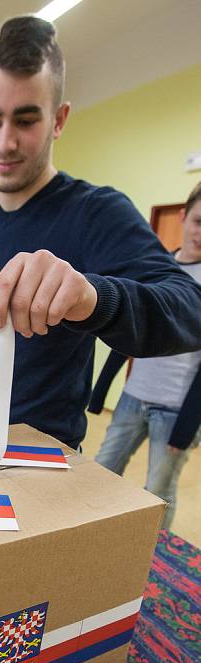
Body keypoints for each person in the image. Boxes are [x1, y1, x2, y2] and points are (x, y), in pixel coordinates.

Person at [0, 16, 201, 450]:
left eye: (26, 121)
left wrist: (91, 297)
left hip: (46, 460)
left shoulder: (96, 212)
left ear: (59, 119)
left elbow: (190, 308)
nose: (5, 142)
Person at [89, 182, 201, 529]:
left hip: (175, 411)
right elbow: (132, 332)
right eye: (199, 221)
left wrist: (186, 430)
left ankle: (156, 562)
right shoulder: (157, 269)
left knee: (158, 493)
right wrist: (100, 392)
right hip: (133, 398)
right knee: (99, 473)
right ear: (183, 217)